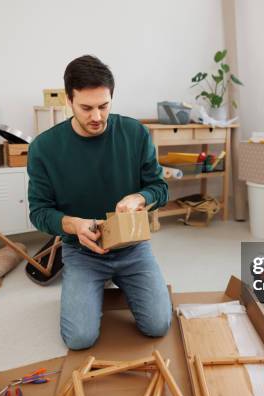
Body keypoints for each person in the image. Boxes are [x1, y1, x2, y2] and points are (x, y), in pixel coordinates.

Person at [27, 55, 172, 350]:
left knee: (158, 326)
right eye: (86, 107)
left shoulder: (135, 134)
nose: (97, 116)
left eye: (104, 106)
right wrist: (72, 224)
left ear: (112, 98)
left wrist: (141, 197)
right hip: (82, 251)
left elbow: (160, 189)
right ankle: (92, 285)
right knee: (80, 339)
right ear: (69, 100)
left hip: (132, 246)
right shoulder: (44, 148)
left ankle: (114, 284)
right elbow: (39, 212)